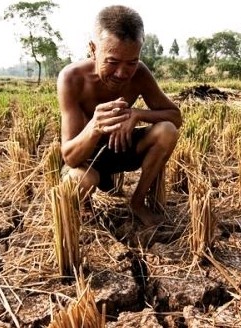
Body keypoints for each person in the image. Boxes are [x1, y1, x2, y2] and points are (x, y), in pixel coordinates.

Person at [57, 5, 182, 227]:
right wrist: (95, 126)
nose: (122, 73)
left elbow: (175, 116)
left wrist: (137, 114)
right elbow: (70, 157)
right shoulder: (72, 79)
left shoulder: (140, 73)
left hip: (121, 146)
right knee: (80, 180)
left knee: (166, 131)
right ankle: (84, 205)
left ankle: (138, 201)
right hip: (88, 158)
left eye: (131, 62)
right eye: (112, 62)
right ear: (93, 49)